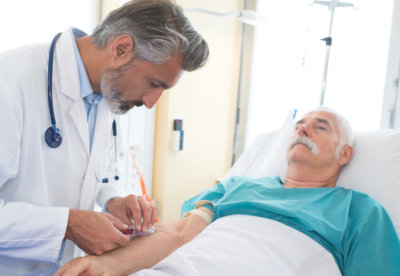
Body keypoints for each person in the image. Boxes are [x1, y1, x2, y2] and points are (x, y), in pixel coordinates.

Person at [55, 107, 400, 276]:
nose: (303, 128)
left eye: (319, 127)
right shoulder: (238, 187)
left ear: (345, 154)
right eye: (300, 125)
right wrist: (107, 266)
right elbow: (179, 232)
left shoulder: (360, 211)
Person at [0, 0, 209, 274]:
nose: (150, 103)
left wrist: (114, 200)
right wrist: (69, 224)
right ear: (120, 49)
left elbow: (95, 173)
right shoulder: (11, 82)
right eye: (153, 84)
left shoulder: (105, 93)